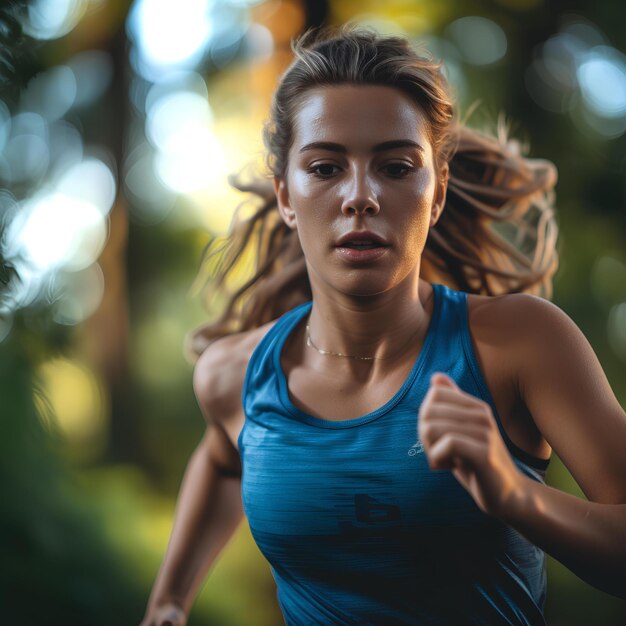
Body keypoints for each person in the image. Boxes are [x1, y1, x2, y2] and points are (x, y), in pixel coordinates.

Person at [141, 27, 626, 626]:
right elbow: (221, 456)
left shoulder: (520, 345)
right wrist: (168, 600)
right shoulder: (235, 376)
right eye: (324, 167)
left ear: (438, 191)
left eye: (396, 167)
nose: (361, 196)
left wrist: (513, 493)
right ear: (286, 196)